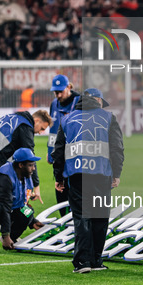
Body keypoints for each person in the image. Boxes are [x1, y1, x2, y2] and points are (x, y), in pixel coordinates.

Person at [52, 88, 124, 273]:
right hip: (102, 174)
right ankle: (96, 260)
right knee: (100, 217)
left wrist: (58, 177)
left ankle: (83, 262)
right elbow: (116, 149)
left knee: (82, 217)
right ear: (98, 100)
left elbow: (58, 151)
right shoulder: (109, 118)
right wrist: (116, 174)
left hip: (76, 175)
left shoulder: (67, 119)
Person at [0, 109, 52, 244]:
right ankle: (6, 235)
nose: (40, 132)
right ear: (36, 121)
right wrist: (36, 186)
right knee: (5, 199)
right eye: (42, 128)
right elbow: (29, 156)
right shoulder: (25, 125)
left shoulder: (11, 117)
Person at [48, 74, 80, 216]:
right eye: (56, 92)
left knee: (75, 193)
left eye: (61, 91)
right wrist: (51, 152)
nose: (58, 95)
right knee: (60, 192)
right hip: (60, 156)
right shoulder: (54, 104)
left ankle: (76, 227)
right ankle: (65, 226)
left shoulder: (80, 102)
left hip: (76, 156)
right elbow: (53, 130)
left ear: (69, 87)